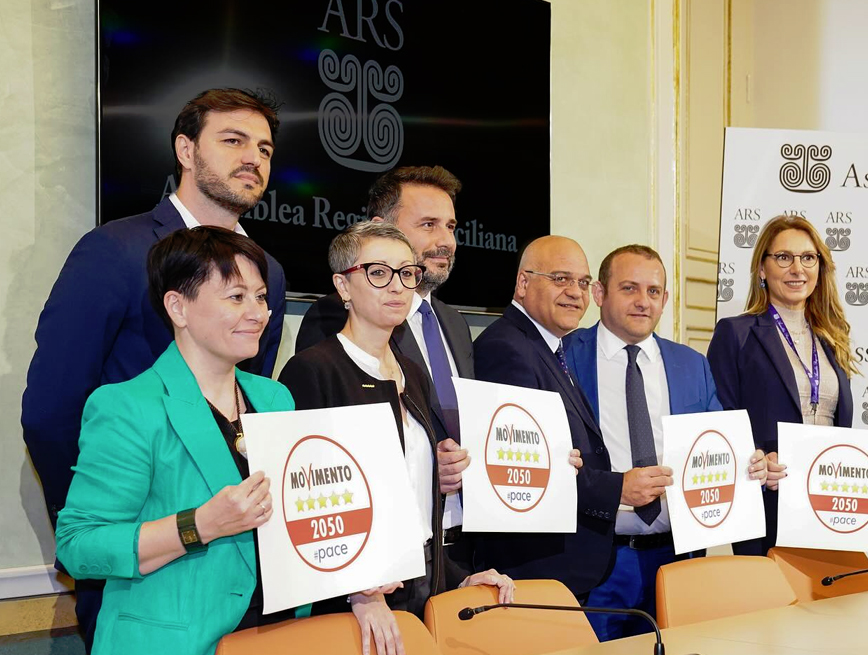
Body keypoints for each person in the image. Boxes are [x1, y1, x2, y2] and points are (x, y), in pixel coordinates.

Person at [22, 88, 287, 650]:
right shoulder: (113, 249)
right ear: (186, 150)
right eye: (233, 140)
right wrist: (113, 523)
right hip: (143, 568)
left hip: (247, 577)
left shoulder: (272, 271)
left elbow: (251, 398)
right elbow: (51, 409)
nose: (253, 158)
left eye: (264, 149)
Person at [55, 227, 306, 655]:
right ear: (178, 307)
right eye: (236, 297)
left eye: (261, 297)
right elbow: (79, 545)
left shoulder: (275, 397)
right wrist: (200, 524)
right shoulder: (128, 406)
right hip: (173, 641)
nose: (258, 313)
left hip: (278, 633)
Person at [280, 221, 517, 655]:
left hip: (424, 580)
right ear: (343, 285)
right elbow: (304, 504)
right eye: (378, 272)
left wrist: (458, 577)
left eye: (407, 273)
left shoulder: (412, 371)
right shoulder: (312, 370)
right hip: (354, 600)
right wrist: (360, 592)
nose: (396, 286)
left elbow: (416, 502)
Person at [564, 245, 767, 640]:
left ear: (665, 299)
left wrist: (750, 465)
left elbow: (716, 448)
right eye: (629, 288)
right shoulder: (565, 357)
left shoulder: (691, 364)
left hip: (677, 558)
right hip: (597, 559)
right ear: (599, 294)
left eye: (654, 291)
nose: (643, 301)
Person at [296, 166, 472, 566]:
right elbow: (323, 463)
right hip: (370, 554)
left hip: (450, 544)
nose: (446, 240)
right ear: (381, 228)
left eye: (450, 226)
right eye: (428, 224)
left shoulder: (455, 324)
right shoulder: (329, 325)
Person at [472, 235, 617, 601]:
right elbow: (524, 466)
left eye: (583, 282)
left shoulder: (548, 347)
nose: (575, 292)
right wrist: (619, 488)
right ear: (523, 283)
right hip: (532, 571)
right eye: (560, 278)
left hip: (560, 570)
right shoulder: (506, 348)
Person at [707, 214, 855, 555]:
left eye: (808, 258)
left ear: (820, 268)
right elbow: (719, 421)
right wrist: (757, 457)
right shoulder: (736, 333)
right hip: (767, 501)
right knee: (769, 589)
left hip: (827, 504)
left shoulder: (833, 339)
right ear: (762, 268)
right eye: (784, 257)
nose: (797, 269)